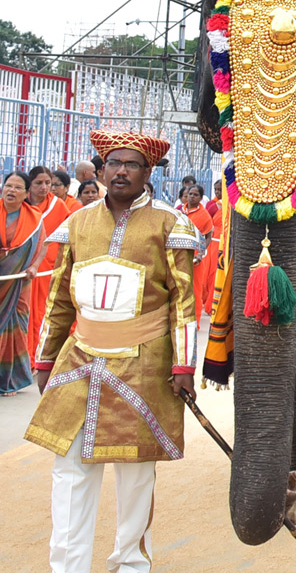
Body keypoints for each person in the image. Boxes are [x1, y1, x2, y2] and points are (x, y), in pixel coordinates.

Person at [26, 130, 200, 573]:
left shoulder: (170, 224)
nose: (121, 170)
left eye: (132, 164)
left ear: (148, 173)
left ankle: (130, 565)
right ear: (100, 170)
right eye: (113, 163)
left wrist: (183, 365)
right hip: (79, 361)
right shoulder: (78, 223)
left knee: (136, 473)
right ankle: (67, 567)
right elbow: (60, 298)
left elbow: (183, 302)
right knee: (69, 471)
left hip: (144, 364)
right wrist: (46, 358)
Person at [0, 171, 46, 395]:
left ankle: (10, 381)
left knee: (15, 328)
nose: (11, 190)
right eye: (8, 186)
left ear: (26, 193)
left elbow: (43, 245)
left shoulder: (35, 218)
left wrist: (34, 267)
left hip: (19, 283)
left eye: (18, 188)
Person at [26, 166, 70, 360]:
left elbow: (66, 236)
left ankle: (39, 353)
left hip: (47, 267)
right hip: (22, 267)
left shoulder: (58, 206)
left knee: (43, 311)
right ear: (30, 184)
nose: (44, 188)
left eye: (48, 183)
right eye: (39, 183)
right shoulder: (22, 205)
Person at [181, 184, 216, 318]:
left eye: (196, 195)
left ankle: (195, 319)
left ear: (201, 198)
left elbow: (208, 236)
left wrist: (201, 252)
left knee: (195, 288)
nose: (192, 197)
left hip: (195, 256)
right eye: (190, 194)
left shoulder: (204, 215)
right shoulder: (180, 211)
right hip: (179, 253)